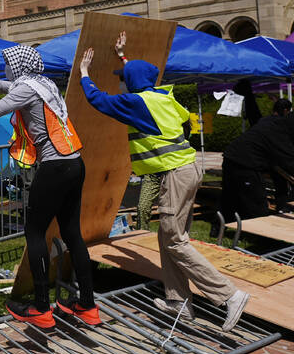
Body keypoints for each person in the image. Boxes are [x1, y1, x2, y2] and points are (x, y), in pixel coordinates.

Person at [79, 33, 250, 331]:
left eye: (122, 79)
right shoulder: (162, 96)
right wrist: (123, 56)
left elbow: (99, 100)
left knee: (174, 239)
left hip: (175, 173)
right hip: (188, 168)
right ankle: (179, 302)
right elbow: (140, 79)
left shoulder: (136, 102)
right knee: (167, 238)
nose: (120, 83)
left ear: (130, 84)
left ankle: (229, 295)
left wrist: (83, 74)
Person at [0, 47, 101, 328]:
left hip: (55, 168)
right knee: (72, 233)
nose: (6, 70)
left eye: (7, 65)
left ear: (19, 65)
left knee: (35, 232)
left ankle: (40, 308)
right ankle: (87, 305)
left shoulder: (26, 89)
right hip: (75, 164)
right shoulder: (43, 82)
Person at [221, 99, 294, 219]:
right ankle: (259, 233)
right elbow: (291, 160)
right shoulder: (278, 131)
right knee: (256, 202)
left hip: (231, 157)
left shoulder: (266, 122)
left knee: (229, 196)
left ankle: (219, 227)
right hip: (245, 163)